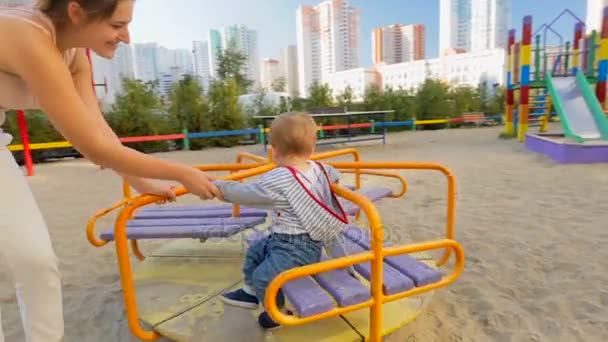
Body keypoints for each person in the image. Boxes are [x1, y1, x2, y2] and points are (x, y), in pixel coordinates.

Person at [0, 1, 221, 341]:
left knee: (36, 263)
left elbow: (99, 134)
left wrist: (142, 182)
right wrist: (180, 173)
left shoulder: (74, 55)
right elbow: (91, 148)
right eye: (118, 25)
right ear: (76, 12)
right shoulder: (30, 37)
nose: (127, 38)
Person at [213, 112, 349, 329]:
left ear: (273, 149)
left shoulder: (280, 177)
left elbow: (249, 193)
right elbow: (333, 172)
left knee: (264, 277)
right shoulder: (318, 168)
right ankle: (249, 293)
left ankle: (275, 313)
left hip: (297, 247)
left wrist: (219, 188)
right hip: (287, 239)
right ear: (312, 148)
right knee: (254, 253)